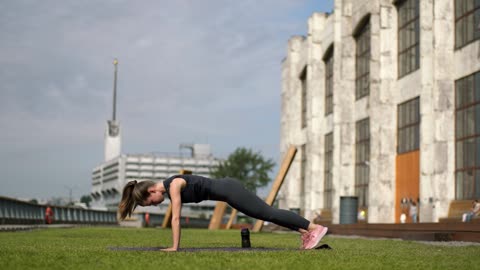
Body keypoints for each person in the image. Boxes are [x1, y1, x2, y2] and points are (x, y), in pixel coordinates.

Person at [119, 174, 328, 252]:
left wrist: (175, 247)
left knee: (267, 213)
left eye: (150, 203)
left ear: (151, 191)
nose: (155, 206)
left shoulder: (173, 185)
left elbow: (175, 218)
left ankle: (313, 227)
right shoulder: (170, 184)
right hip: (228, 191)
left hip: (229, 190)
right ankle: (306, 232)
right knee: (266, 214)